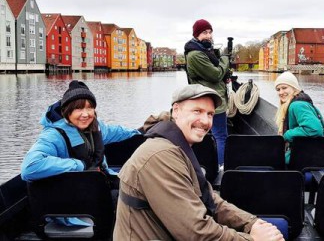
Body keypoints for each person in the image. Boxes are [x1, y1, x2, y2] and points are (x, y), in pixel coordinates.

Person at [113, 84, 284, 241]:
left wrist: (252, 224)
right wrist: (254, 239)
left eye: (210, 114)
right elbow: (195, 232)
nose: (205, 121)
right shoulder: (160, 155)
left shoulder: (175, 145)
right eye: (197, 111)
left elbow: (209, 199)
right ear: (176, 111)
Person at [21, 80, 141, 181]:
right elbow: (30, 167)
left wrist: (142, 133)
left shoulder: (95, 126)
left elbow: (118, 132)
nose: (85, 114)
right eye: (78, 108)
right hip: (74, 193)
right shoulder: (53, 135)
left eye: (89, 108)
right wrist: (80, 165)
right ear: (67, 112)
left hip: (100, 182)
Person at [184, 19, 230, 166]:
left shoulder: (204, 51)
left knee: (212, 135)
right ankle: (221, 167)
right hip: (210, 101)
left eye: (210, 32)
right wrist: (224, 59)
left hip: (211, 99)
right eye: (204, 32)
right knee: (220, 136)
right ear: (196, 35)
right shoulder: (195, 55)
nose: (208, 36)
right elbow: (216, 74)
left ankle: (210, 164)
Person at [274, 71, 324, 164]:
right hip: (309, 151)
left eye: (284, 88)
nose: (281, 92)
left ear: (294, 88)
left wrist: (287, 135)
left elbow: (314, 129)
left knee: (271, 161)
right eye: (278, 89)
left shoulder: (297, 105)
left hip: (313, 154)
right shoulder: (296, 102)